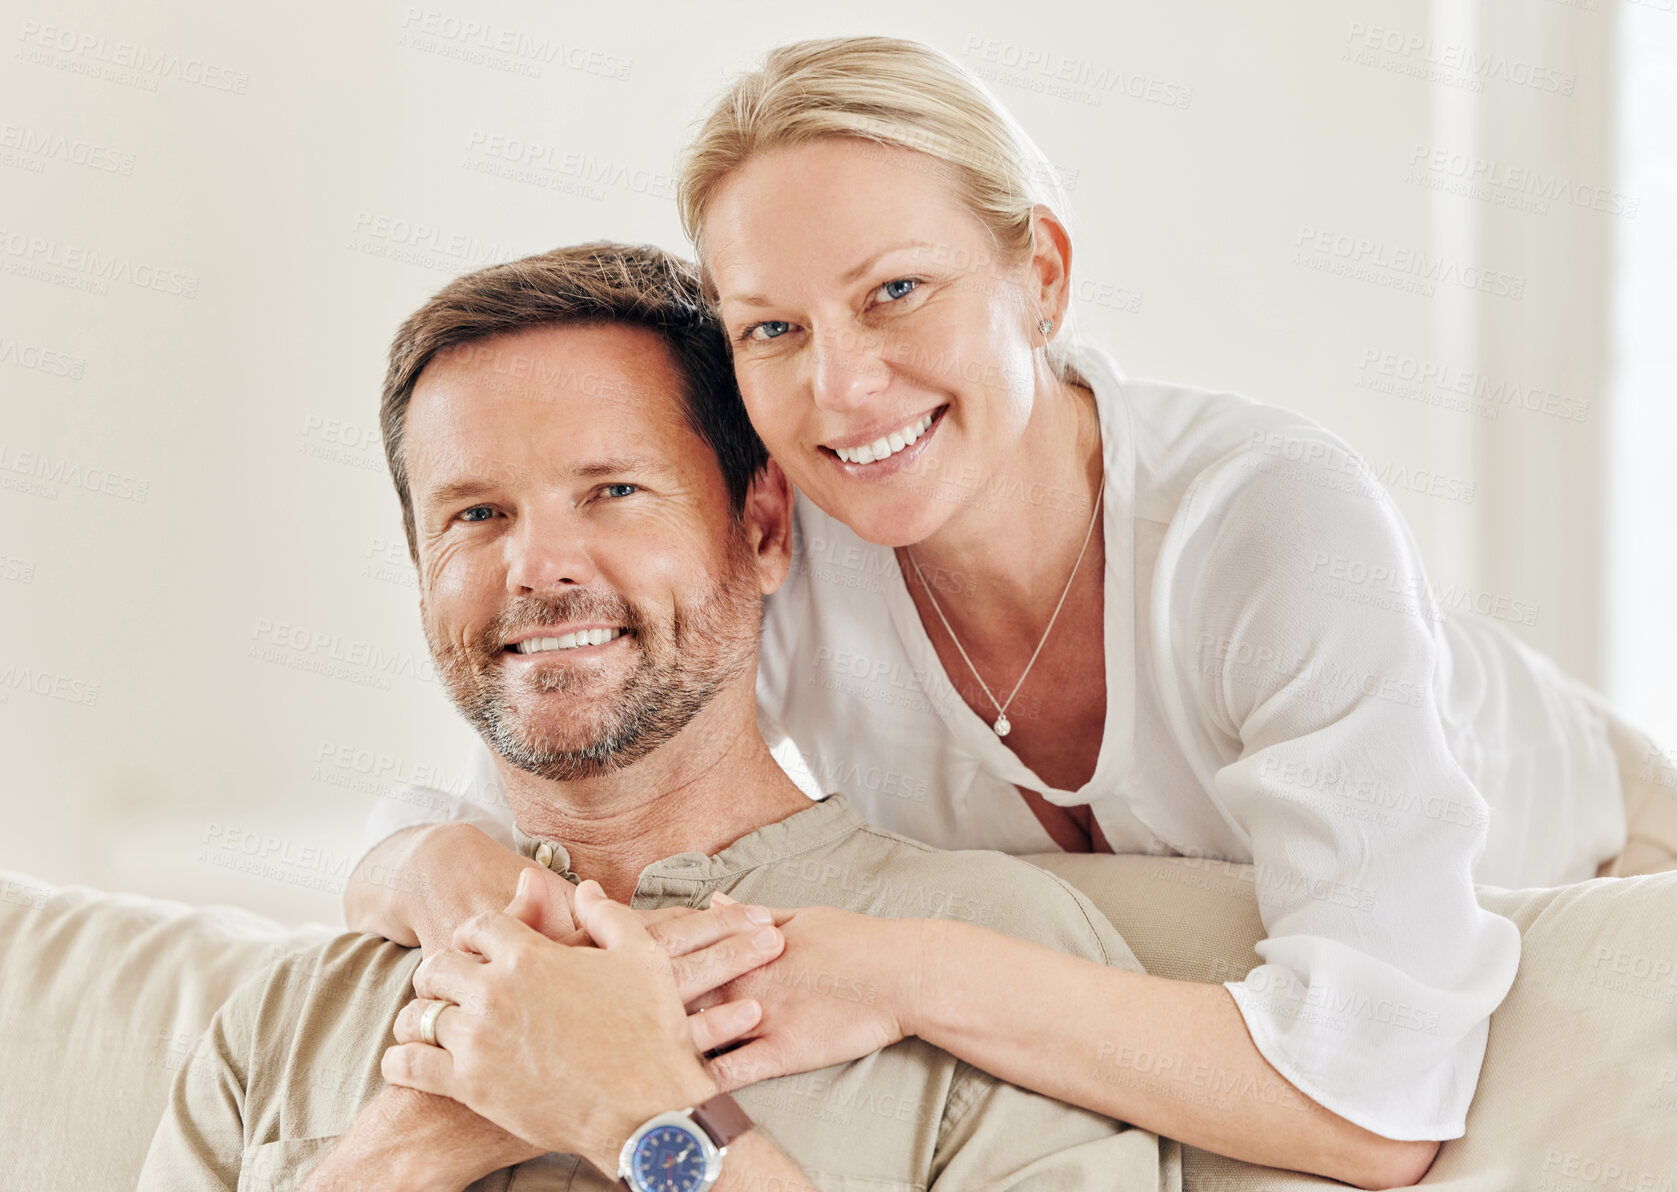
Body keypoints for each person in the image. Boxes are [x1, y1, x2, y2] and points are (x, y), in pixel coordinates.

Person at [346, 36, 1652, 1187]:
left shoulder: (1267, 520)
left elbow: (1377, 1113)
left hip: (1600, 854)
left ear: (1041, 274)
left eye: (895, 292)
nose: (843, 390)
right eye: (772, 330)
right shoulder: (796, 534)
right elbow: (479, 817)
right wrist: (453, 882)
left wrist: (907, 970)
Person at [138, 243, 1180, 1192]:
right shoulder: (284, 1019)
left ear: (763, 528)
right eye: (475, 514)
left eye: (615, 491)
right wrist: (399, 1152)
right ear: (420, 580)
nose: (536, 564)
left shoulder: (1002, 958)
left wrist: (648, 1114)